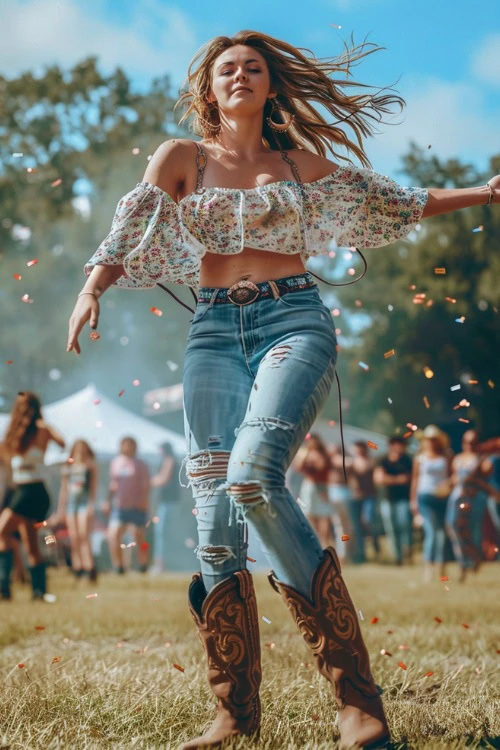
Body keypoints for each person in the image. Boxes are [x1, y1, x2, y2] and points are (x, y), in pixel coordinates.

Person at [66, 29, 500, 750]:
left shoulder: (298, 163)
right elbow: (134, 222)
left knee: (251, 479)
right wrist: (92, 289)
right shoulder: (182, 158)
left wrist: (483, 194)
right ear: (209, 88)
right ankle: (234, 713)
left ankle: (357, 700)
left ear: (270, 86)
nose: (240, 75)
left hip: (292, 320)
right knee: (212, 518)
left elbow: (389, 201)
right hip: (211, 335)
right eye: (226, 69)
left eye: (253, 67)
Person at [0, 392, 65, 601]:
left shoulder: (42, 430)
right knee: (30, 544)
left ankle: (4, 587)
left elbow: (62, 442)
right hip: (19, 490)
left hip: (34, 491)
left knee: (1, 531)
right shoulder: (13, 436)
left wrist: (43, 425)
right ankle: (39, 591)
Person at [446, 430, 494, 581]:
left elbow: (486, 476)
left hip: (474, 499)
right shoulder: (458, 459)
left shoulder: (484, 460)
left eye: (473, 443)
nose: (470, 446)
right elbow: (454, 477)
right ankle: (465, 559)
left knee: (473, 529)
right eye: (467, 442)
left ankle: (473, 560)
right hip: (458, 497)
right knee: (453, 525)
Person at [410, 425, 452, 581]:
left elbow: (451, 475)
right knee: (432, 533)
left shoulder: (446, 455)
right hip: (425, 497)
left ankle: (442, 567)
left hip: (442, 498)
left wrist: (447, 486)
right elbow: (415, 480)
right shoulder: (420, 457)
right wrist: (413, 503)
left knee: (442, 533)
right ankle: (429, 568)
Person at [53, 439, 98, 582]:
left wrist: (92, 504)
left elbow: (93, 488)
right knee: (74, 536)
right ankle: (78, 567)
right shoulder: (68, 466)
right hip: (72, 504)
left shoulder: (90, 466)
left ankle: (89, 566)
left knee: (84, 534)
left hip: (84, 502)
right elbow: (64, 489)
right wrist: (61, 508)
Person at [105, 437, 150, 574]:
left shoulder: (141, 464)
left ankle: (143, 563)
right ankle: (118, 566)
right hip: (120, 507)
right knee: (113, 534)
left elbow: (145, 485)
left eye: (130, 445)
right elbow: (113, 484)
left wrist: (144, 502)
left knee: (139, 536)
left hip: (137, 506)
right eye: (125, 445)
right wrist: (108, 501)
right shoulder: (116, 462)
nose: (127, 448)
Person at [374, 437, 413, 565]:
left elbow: (411, 477)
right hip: (388, 499)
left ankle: (407, 551)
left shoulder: (408, 460)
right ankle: (398, 556)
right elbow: (379, 479)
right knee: (391, 528)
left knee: (404, 525)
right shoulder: (383, 460)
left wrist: (389, 478)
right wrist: (398, 479)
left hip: (404, 499)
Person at [293, 434, 333, 548]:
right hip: (309, 485)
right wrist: (305, 454)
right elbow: (298, 467)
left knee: (324, 514)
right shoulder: (305, 453)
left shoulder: (323, 454)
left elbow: (321, 467)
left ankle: (324, 542)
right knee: (310, 514)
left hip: (321, 486)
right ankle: (315, 541)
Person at [150, 441, 179, 573]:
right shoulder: (169, 460)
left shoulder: (169, 461)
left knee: (161, 533)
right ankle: (161, 564)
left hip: (168, 503)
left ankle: (161, 565)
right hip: (166, 503)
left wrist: (148, 482)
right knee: (161, 533)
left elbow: (164, 479)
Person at [349, 441, 380, 562]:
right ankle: (361, 554)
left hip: (370, 496)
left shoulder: (372, 462)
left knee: (369, 520)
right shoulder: (351, 463)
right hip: (356, 497)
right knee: (357, 527)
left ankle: (375, 543)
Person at [327, 443, 354, 563]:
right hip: (336, 494)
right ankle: (342, 554)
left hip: (343, 493)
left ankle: (345, 554)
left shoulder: (340, 460)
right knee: (341, 528)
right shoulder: (333, 460)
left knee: (344, 528)